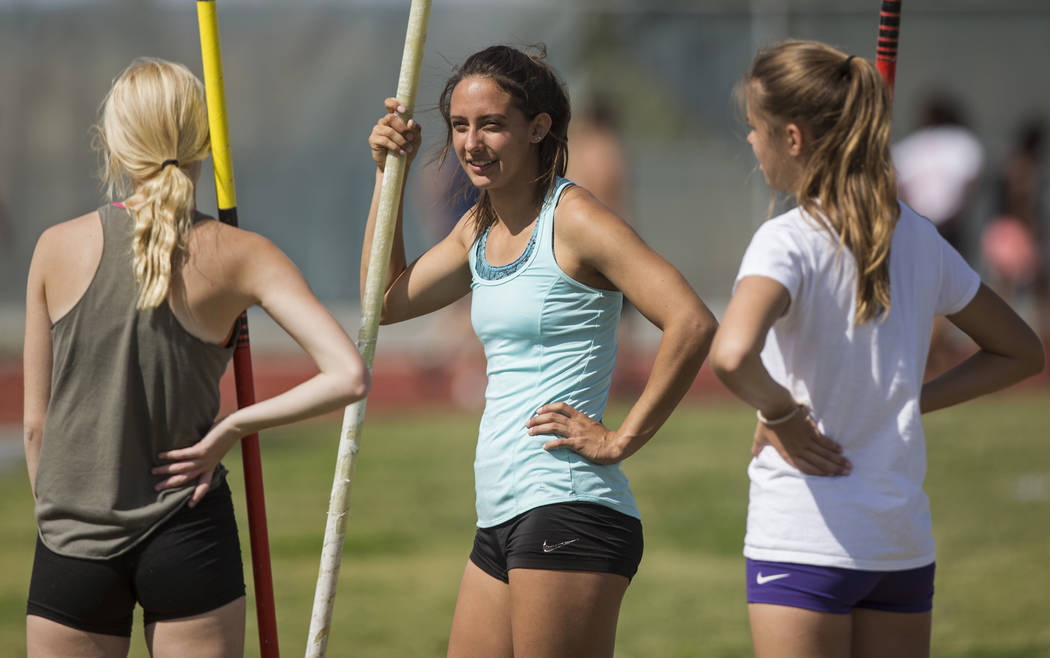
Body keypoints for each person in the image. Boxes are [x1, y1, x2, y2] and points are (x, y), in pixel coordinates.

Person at [362, 45, 716, 658]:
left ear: (538, 127)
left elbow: (691, 320)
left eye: (492, 124)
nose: (473, 142)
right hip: (501, 513)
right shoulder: (479, 228)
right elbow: (386, 301)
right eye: (461, 126)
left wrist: (621, 437)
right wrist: (386, 174)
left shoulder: (574, 218)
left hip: (569, 506)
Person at [22, 58, 369, 657]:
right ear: (206, 142)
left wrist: (59, 524)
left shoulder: (54, 248)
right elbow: (349, 374)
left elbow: (35, 426)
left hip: (71, 539)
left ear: (113, 143)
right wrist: (231, 427)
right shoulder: (243, 254)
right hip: (188, 526)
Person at [709, 40, 1044, 658]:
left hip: (804, 538)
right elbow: (1022, 351)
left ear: (792, 137)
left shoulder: (785, 240)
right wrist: (912, 399)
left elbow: (730, 355)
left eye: (754, 130)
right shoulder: (919, 238)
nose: (750, 144)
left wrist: (780, 413)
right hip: (899, 544)